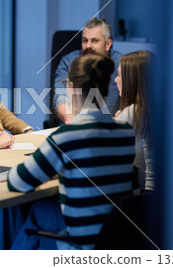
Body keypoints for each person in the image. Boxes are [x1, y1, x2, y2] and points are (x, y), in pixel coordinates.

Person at [8, 54, 135, 250]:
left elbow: (18, 181)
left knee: (37, 210)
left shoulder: (66, 136)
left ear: (72, 87)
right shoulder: (126, 131)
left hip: (83, 240)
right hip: (116, 235)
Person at [54, 17, 122, 123]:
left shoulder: (121, 64)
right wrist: (72, 120)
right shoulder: (68, 62)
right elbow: (60, 97)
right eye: (85, 40)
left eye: (94, 41)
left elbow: (134, 97)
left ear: (108, 44)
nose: (88, 46)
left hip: (109, 127)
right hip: (75, 125)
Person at [114, 50, 154, 192]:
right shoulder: (154, 110)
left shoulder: (132, 113)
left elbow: (112, 154)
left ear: (131, 80)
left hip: (144, 196)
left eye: (119, 75)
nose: (115, 80)